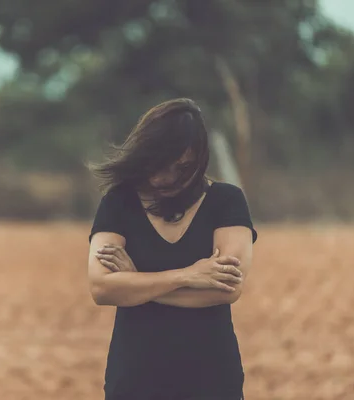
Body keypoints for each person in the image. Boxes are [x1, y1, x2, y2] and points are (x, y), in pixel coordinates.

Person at [86, 98, 258, 400]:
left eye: (182, 167)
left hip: (212, 379)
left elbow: (227, 289)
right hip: (134, 378)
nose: (166, 178)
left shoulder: (227, 201)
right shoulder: (119, 202)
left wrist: (137, 282)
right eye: (159, 164)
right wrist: (187, 275)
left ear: (199, 160)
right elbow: (102, 288)